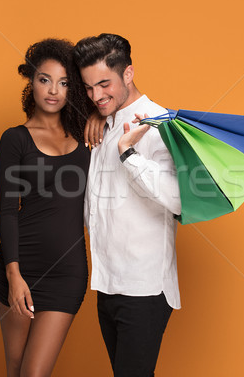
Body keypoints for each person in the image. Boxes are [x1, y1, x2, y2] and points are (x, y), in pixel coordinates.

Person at [74, 33, 182, 377]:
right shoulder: (100, 122)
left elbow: (177, 198)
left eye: (104, 84)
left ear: (129, 74)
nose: (96, 95)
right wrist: (98, 116)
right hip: (107, 284)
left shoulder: (160, 122)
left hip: (144, 287)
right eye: (89, 88)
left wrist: (129, 154)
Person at [0, 38, 95, 377]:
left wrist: (95, 118)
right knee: (17, 370)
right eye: (44, 79)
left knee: (34, 374)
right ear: (31, 82)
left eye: (64, 82)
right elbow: (8, 210)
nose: (53, 90)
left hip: (68, 272)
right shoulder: (15, 139)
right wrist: (13, 275)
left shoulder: (85, 138)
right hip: (20, 267)